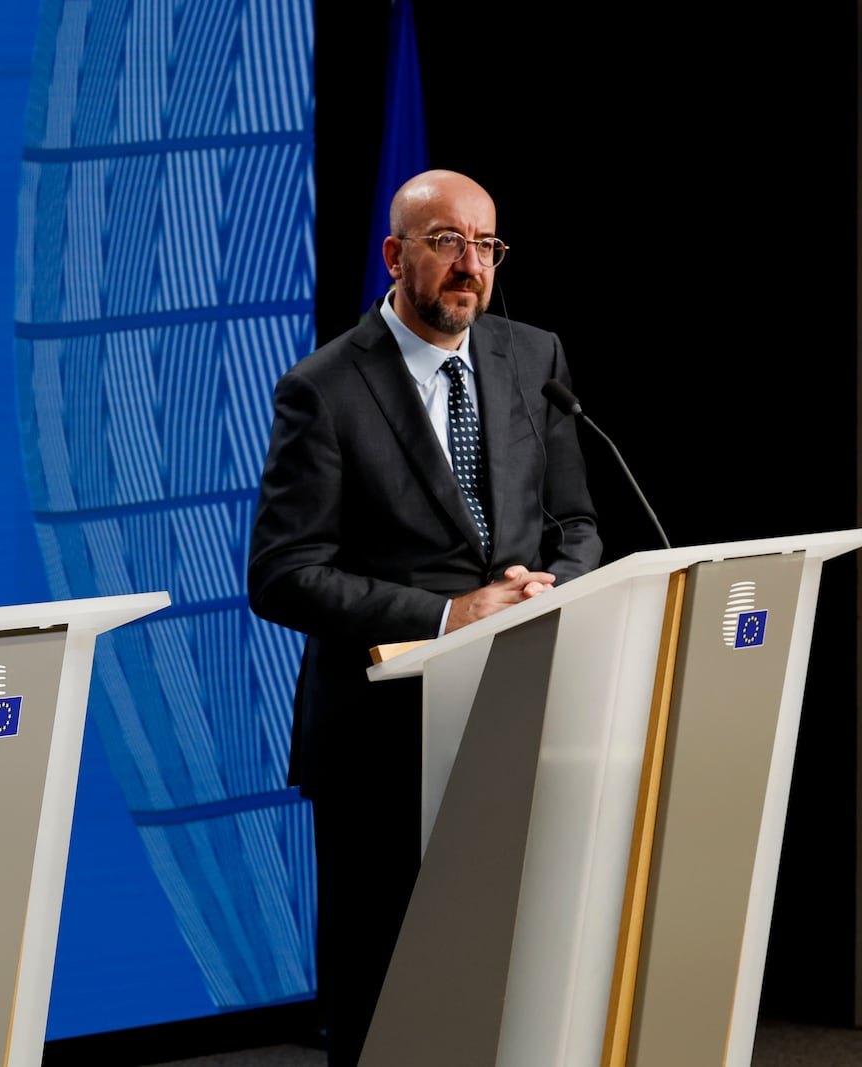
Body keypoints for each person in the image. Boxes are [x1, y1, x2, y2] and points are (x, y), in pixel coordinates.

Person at [247, 170, 601, 1064]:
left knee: (513, 980)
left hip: (517, 720)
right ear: (396, 255)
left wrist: (551, 584)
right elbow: (283, 574)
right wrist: (449, 615)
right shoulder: (323, 388)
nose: (469, 265)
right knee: (386, 996)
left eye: (486, 246)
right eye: (447, 242)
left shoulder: (534, 358)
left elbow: (577, 523)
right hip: (380, 740)